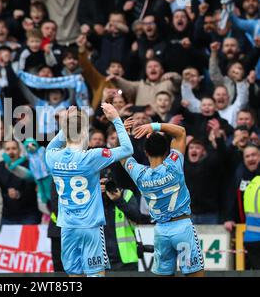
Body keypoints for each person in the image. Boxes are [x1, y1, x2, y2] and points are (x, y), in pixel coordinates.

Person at [45, 103, 133, 277]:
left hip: (67, 228)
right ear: (85, 132)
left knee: (74, 277)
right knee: (96, 274)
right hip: (90, 227)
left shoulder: (51, 156)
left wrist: (69, 123)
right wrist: (116, 119)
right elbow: (127, 149)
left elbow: (57, 141)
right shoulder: (92, 157)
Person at [121, 121, 205, 276]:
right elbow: (180, 132)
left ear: (146, 152)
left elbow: (124, 155)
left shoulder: (140, 175)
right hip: (182, 226)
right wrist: (153, 126)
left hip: (161, 231)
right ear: (167, 151)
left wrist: (124, 133)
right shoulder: (174, 164)